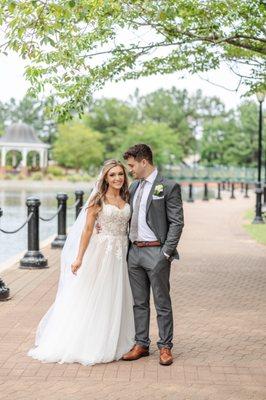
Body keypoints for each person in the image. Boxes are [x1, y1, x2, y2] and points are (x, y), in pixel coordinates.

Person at [27, 159, 135, 366]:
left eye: (120, 174)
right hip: (101, 253)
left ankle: (113, 336)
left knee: (116, 294)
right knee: (96, 293)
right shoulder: (98, 200)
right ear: (105, 178)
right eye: (112, 175)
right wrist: (79, 258)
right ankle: (90, 341)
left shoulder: (126, 196)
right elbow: (87, 230)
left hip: (121, 253)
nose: (117, 178)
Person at [121, 144, 184, 366]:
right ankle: (141, 344)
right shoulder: (135, 186)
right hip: (134, 252)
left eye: (131, 165)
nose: (130, 170)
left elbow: (177, 223)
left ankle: (165, 346)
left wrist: (165, 253)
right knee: (139, 302)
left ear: (143, 162)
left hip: (157, 251)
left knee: (162, 302)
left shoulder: (168, 187)